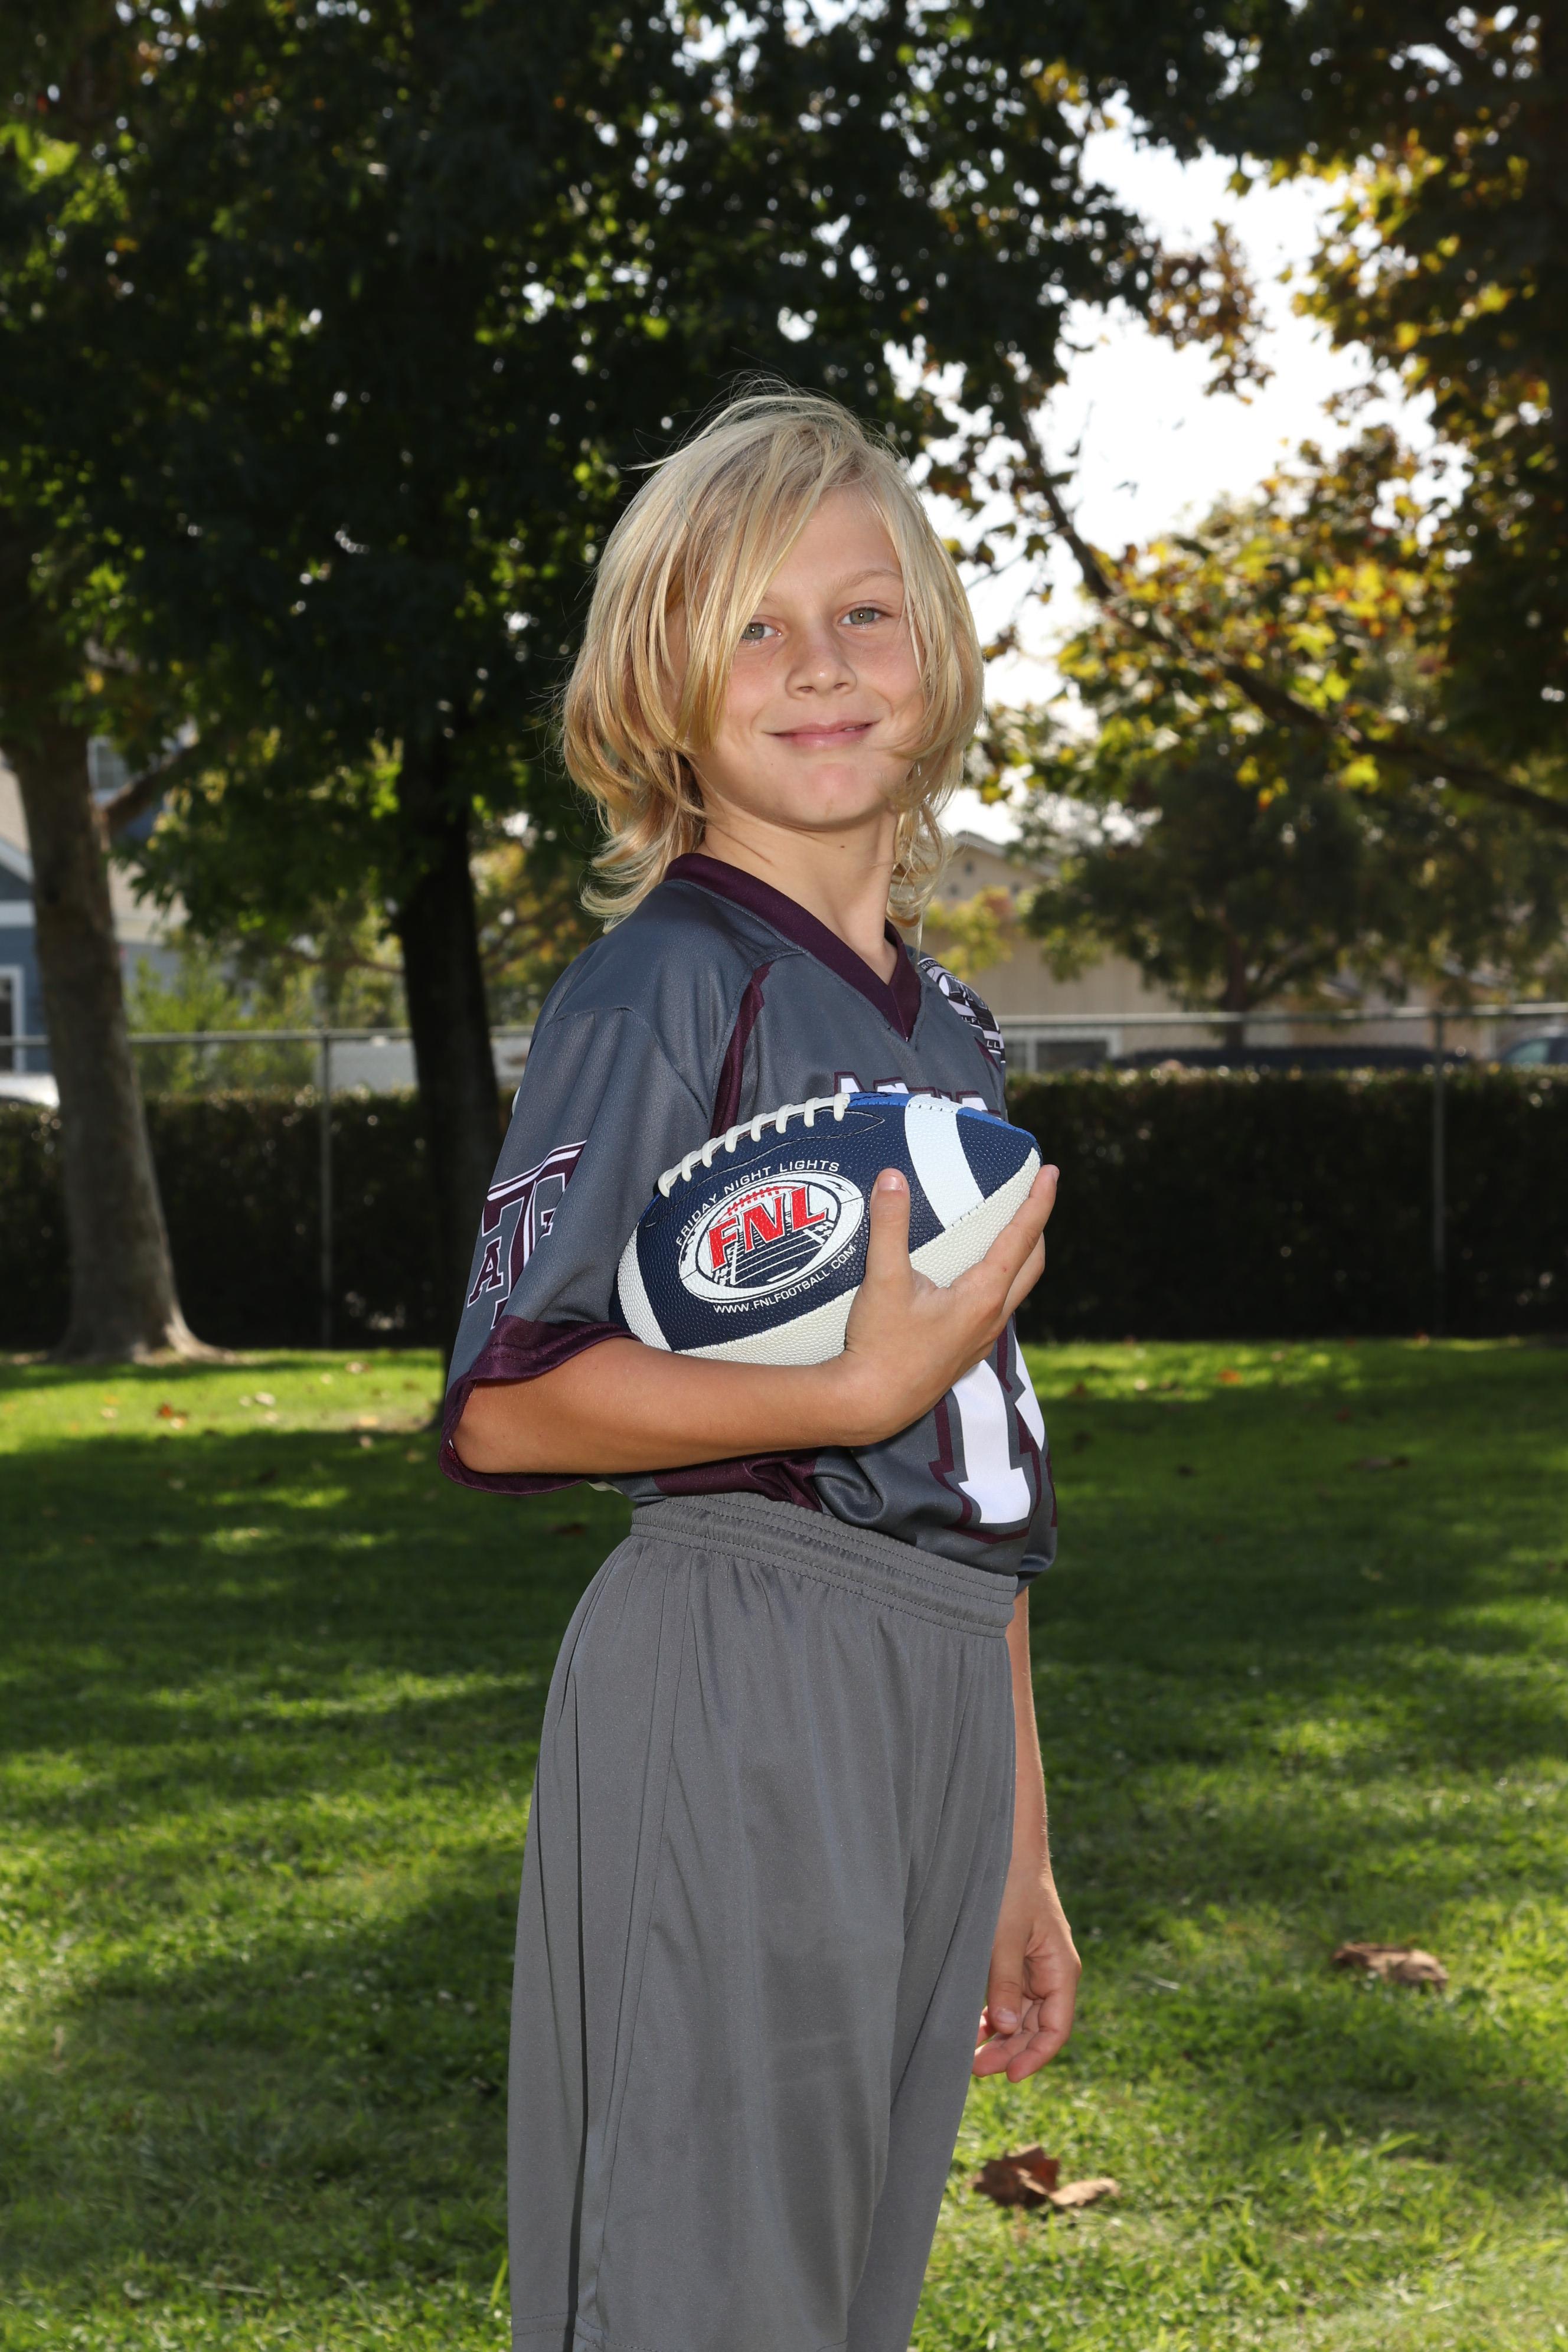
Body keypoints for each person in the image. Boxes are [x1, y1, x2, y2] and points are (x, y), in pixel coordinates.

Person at [443, 388, 1079, 2352]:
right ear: (660, 684)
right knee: (707, 2293)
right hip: (745, 1652)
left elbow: (967, 1447)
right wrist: (832, 1398)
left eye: (864, 613)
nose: (819, 664)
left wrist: (1021, 1845)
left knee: (838, 2289)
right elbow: (508, 1403)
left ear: (936, 653)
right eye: (754, 626)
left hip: (935, 1673)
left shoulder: (949, 1026)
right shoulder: (666, 982)